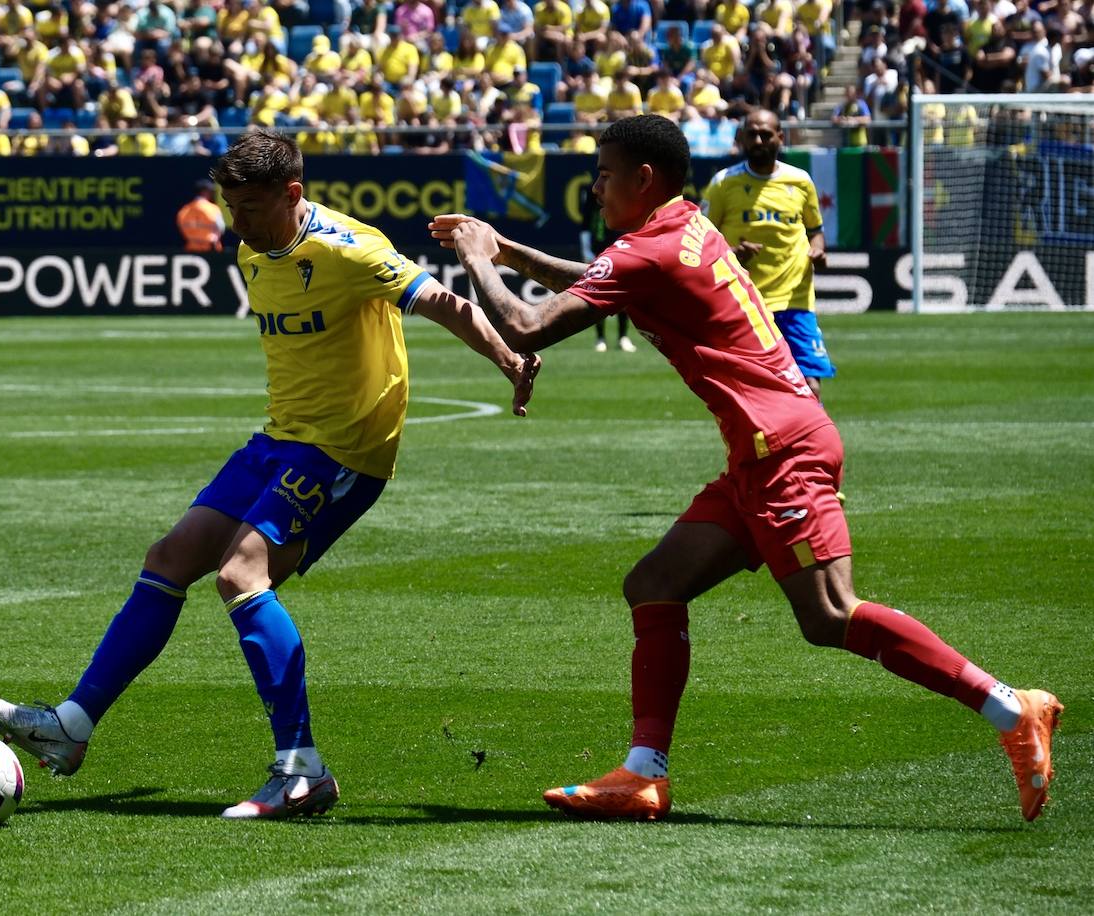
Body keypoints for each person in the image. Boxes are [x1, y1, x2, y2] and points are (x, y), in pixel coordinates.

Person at [428, 115, 1061, 824]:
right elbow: (608, 280)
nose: (596, 186)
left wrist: (480, 260)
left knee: (828, 613)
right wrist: (509, 247)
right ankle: (643, 775)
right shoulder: (686, 226)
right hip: (769, 445)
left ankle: (1011, 707)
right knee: (655, 583)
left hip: (778, 450)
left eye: (605, 173)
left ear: (643, 179)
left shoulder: (648, 251)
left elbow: (527, 326)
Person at [0, 131, 541, 821]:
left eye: (247, 206)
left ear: (292, 194)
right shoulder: (251, 247)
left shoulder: (347, 249)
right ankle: (72, 726)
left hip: (343, 449)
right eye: (228, 205)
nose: (234, 221)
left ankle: (301, 769)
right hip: (279, 438)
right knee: (170, 557)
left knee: (241, 576)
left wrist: (510, 359)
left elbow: (441, 302)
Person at [702, 109, 833, 400]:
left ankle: (810, 446)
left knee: (809, 387)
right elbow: (701, 241)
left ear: (780, 138)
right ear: (742, 140)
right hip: (743, 302)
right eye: (752, 134)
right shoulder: (724, 183)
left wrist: (819, 249)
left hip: (794, 300)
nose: (759, 140)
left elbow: (816, 230)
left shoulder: (800, 181)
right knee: (753, 393)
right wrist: (733, 254)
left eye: (765, 134)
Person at [581, 184, 634, 353]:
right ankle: (600, 338)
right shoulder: (594, 192)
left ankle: (623, 337)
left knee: (623, 294)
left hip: (621, 248)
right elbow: (586, 220)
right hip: (599, 249)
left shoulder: (626, 192)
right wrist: (586, 249)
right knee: (598, 294)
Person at [177, 178, 227, 252]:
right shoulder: (213, 209)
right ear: (205, 192)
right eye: (211, 192)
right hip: (211, 249)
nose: (212, 194)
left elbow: (182, 227)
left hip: (191, 248)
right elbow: (221, 228)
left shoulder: (184, 210)